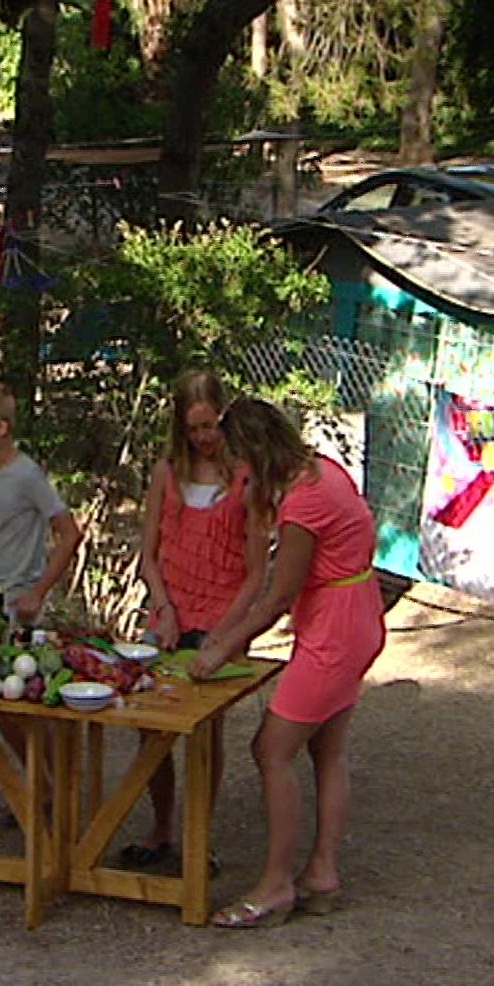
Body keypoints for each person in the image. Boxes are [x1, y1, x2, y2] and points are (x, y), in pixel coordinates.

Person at [187, 397, 387, 929]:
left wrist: (221, 649)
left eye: (237, 459)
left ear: (254, 452)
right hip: (355, 615)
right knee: (327, 749)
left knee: (271, 749)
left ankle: (276, 885)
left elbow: (278, 596)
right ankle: (321, 873)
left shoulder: (303, 505)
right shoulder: (322, 470)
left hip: (335, 630)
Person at [119, 370, 270, 870]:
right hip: (169, 610)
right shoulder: (166, 473)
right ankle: (161, 827)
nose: (203, 437)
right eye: (193, 428)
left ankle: (198, 837)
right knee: (150, 723)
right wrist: (162, 607)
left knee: (205, 730)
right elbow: (149, 555)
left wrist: (226, 633)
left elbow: (256, 573)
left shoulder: (247, 478)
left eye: (210, 426)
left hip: (222, 614)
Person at [0, 378, 83, 772]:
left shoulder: (27, 474)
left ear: (1, 428)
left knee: (24, 702)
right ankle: (38, 784)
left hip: (22, 601)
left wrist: (38, 592)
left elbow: (69, 533)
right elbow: (1, 526)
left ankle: (56, 785)